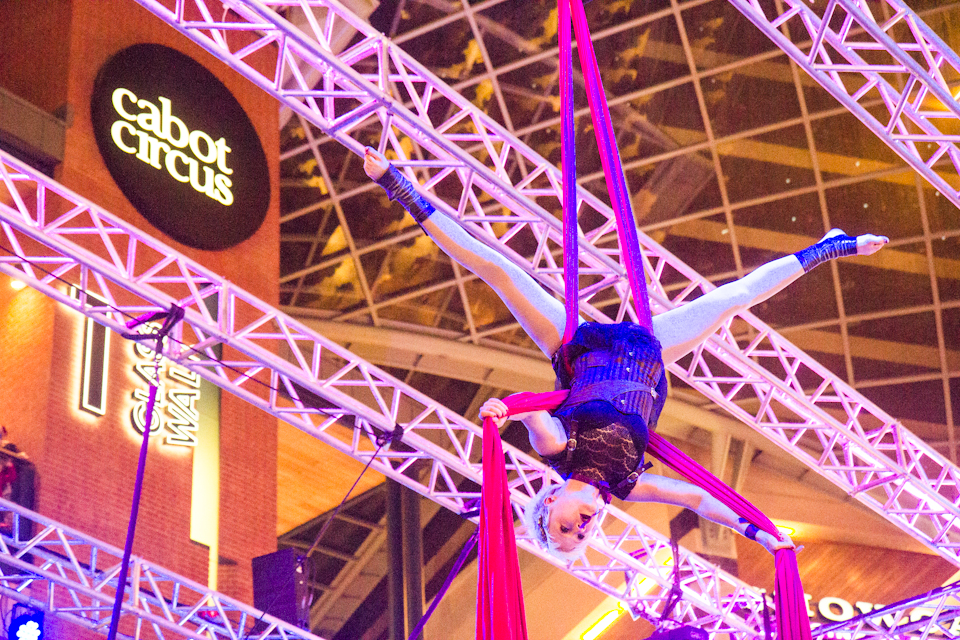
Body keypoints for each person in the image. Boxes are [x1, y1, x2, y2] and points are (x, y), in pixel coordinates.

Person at [362, 147, 888, 560]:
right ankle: (832, 246)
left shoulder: (557, 451)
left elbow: (538, 420)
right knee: (733, 300)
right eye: (582, 536)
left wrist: (505, 413)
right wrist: (759, 533)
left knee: (498, 271)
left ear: (549, 503)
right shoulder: (628, 482)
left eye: (565, 527)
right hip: (644, 356)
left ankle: (397, 186)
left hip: (576, 347)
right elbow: (697, 499)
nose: (582, 526)